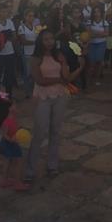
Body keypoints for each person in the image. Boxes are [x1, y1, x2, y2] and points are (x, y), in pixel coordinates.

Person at [26, 30, 82, 181]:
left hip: (60, 96)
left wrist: (68, 64)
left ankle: (52, 165)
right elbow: (39, 80)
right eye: (46, 39)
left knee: (55, 131)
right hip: (42, 97)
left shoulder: (59, 55)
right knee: (39, 132)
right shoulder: (35, 58)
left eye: (51, 38)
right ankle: (30, 169)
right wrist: (58, 80)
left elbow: (66, 77)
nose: (49, 42)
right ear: (40, 41)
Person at [0, 96, 30, 191]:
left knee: (8, 162)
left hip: (10, 143)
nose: (16, 106)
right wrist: (11, 140)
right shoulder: (7, 122)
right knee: (18, 162)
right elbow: (4, 134)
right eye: (14, 105)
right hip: (10, 144)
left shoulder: (13, 117)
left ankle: (4, 180)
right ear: (9, 109)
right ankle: (17, 183)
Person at [0, 3, 17, 97]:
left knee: (9, 75)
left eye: (6, 12)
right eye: (3, 12)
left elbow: (14, 37)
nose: (5, 13)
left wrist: (4, 36)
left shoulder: (10, 22)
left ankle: (8, 95)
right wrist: (5, 35)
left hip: (10, 52)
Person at [18, 8, 38, 98]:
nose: (31, 18)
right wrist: (35, 42)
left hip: (35, 52)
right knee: (28, 73)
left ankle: (34, 90)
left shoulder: (35, 27)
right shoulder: (21, 27)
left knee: (34, 72)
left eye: (33, 16)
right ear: (25, 17)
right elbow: (23, 41)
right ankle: (27, 91)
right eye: (29, 16)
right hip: (27, 53)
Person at [87, 7, 109, 86]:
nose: (96, 14)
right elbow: (89, 34)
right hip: (92, 44)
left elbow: (106, 33)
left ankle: (96, 78)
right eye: (95, 12)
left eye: (98, 12)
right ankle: (90, 79)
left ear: (101, 13)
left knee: (99, 61)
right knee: (91, 62)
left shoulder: (104, 22)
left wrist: (94, 33)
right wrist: (100, 34)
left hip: (101, 43)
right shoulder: (89, 22)